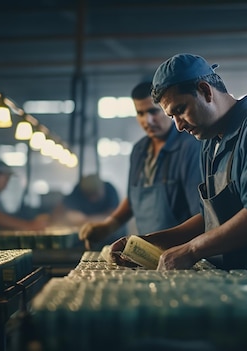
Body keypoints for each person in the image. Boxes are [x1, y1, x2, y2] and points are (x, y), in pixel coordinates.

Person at [110, 53, 247, 286]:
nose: (179, 126)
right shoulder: (210, 143)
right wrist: (146, 242)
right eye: (172, 117)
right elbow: (209, 219)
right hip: (241, 283)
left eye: (180, 110)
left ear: (205, 90)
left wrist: (191, 250)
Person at [77, 81, 201, 250]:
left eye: (153, 111)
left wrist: (155, 242)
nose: (147, 120)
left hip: (183, 252)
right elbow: (133, 198)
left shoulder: (190, 147)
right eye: (140, 113)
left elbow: (201, 216)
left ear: (168, 109)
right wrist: (108, 225)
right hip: (148, 253)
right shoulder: (139, 150)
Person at [52, 174, 124, 250]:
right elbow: (61, 208)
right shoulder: (78, 190)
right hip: (85, 240)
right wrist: (51, 219)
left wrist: (87, 220)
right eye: (89, 195)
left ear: (102, 188)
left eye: (95, 194)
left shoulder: (110, 190)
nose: (92, 199)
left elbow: (114, 216)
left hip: (112, 237)